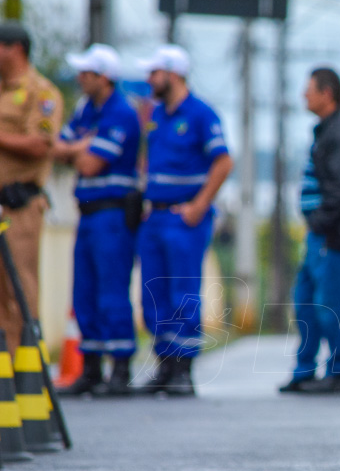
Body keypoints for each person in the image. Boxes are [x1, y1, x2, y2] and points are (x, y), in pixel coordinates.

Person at [136, 45, 233, 396]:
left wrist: (198, 205)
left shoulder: (201, 114)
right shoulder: (157, 115)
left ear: (173, 74)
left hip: (184, 218)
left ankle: (183, 370)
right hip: (156, 218)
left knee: (182, 293)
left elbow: (223, 162)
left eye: (154, 73)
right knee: (153, 294)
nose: (149, 79)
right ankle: (163, 364)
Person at [279, 67, 340, 394]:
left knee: (330, 303)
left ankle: (338, 372)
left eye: (308, 89)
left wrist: (321, 222)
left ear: (327, 93)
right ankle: (305, 368)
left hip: (331, 234)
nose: (303, 95)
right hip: (317, 234)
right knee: (305, 300)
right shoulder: (325, 130)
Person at [53, 44, 142, 396]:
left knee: (111, 292)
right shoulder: (86, 109)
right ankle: (90, 369)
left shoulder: (121, 113)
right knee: (85, 291)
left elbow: (90, 164)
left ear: (104, 77)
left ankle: (119, 369)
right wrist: (81, 145)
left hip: (113, 215)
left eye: (87, 73)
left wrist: (75, 149)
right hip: (87, 215)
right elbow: (55, 148)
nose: (80, 78)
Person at [0, 22, 62, 355]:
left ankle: (25, 366)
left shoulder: (41, 92)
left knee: (19, 286)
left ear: (15, 49)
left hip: (19, 205)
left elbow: (41, 145)